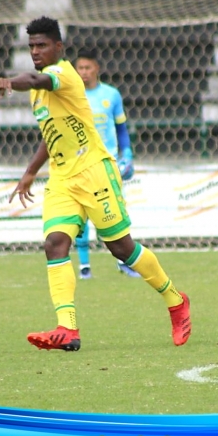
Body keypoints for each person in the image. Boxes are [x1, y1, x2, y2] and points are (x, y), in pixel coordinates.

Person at [0, 16, 191, 350]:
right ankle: (67, 329)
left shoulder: (63, 74)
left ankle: (176, 300)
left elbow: (35, 78)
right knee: (55, 243)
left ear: (58, 47)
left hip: (94, 170)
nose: (35, 51)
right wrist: (30, 172)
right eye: (31, 46)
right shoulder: (37, 93)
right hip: (62, 177)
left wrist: (9, 82)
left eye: (42, 45)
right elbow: (51, 134)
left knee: (121, 248)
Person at [74, 49, 139, 279]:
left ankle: (123, 262)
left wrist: (127, 154)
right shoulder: (72, 95)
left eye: (87, 67)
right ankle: (84, 266)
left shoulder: (111, 95)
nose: (83, 72)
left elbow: (121, 129)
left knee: (114, 214)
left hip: (108, 164)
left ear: (97, 68)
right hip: (81, 164)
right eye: (80, 68)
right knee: (81, 217)